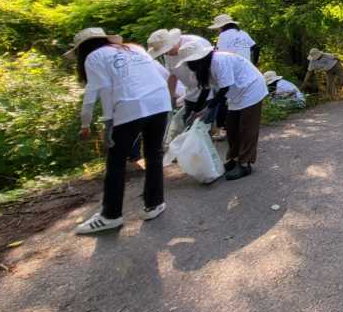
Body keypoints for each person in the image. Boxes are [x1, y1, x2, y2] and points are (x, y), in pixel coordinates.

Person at [66, 28, 172, 234]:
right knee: (154, 154)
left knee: (115, 161)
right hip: (160, 103)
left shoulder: (94, 57)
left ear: (82, 49)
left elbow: (98, 93)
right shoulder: (134, 48)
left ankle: (110, 215)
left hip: (130, 107)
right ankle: (154, 204)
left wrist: (91, 124)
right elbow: (164, 74)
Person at [176, 38, 268, 180]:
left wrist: (208, 110)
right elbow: (205, 91)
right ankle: (233, 159)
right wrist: (195, 112)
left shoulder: (219, 61)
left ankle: (245, 164)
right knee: (231, 126)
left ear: (200, 58)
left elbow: (224, 88)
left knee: (247, 128)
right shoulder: (202, 68)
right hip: (236, 93)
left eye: (190, 62)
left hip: (251, 87)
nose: (189, 65)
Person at [147, 29, 213, 123]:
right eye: (163, 52)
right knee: (187, 121)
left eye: (166, 51)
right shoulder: (167, 54)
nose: (166, 54)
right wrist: (170, 98)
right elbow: (173, 75)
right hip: (190, 93)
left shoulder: (195, 44)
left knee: (203, 122)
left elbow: (208, 76)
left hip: (208, 90)